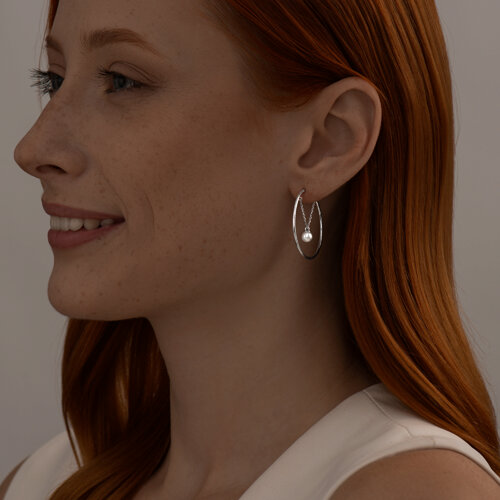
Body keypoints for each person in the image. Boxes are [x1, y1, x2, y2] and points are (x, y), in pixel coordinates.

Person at [2, 0, 500, 498]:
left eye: (122, 81)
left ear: (328, 141)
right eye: (54, 80)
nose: (33, 148)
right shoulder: (39, 484)